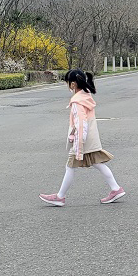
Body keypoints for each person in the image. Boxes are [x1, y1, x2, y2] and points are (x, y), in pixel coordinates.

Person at [39, 70, 125, 207]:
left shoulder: (77, 102)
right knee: (97, 164)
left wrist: (79, 145)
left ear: (73, 84)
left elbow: (80, 124)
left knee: (70, 166)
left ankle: (60, 197)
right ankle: (115, 189)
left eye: (68, 83)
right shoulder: (86, 96)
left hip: (82, 140)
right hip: (90, 138)